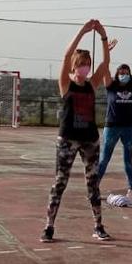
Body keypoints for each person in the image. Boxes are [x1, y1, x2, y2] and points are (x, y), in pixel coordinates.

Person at [42, 19, 112, 243]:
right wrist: (83, 31)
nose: (86, 67)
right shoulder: (66, 84)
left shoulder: (91, 85)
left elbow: (106, 62)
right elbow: (66, 55)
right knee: (60, 183)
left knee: (93, 184)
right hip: (68, 140)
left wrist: (102, 36)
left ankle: (98, 226)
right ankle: (49, 227)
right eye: (81, 63)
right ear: (74, 65)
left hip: (90, 140)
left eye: (87, 63)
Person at [98, 37, 132, 201]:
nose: (124, 74)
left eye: (126, 72)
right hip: (112, 126)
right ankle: (93, 188)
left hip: (129, 127)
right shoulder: (110, 84)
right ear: (117, 74)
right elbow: (104, 67)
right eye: (121, 72)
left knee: (128, 159)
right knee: (104, 159)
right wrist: (107, 51)